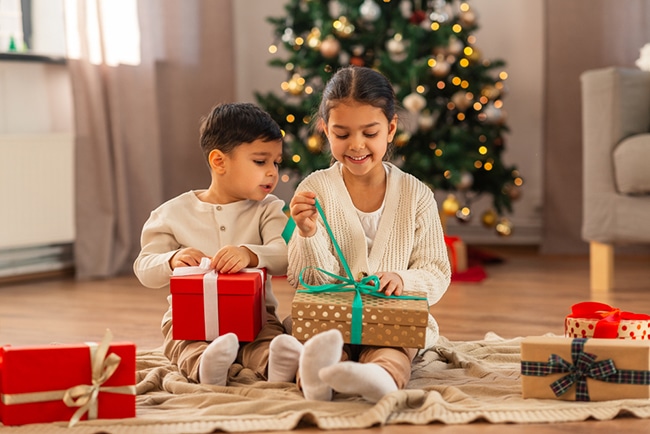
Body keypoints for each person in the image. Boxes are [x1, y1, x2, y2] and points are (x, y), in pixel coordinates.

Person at [268, 66, 451, 402]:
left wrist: (402, 279)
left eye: (370, 133)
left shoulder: (416, 195)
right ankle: (318, 378)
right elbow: (305, 280)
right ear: (325, 130)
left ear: (391, 129)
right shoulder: (314, 189)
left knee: (395, 349)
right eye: (341, 135)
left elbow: (437, 271)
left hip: (392, 318)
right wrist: (306, 234)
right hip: (329, 317)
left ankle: (379, 376)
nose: (356, 146)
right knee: (318, 341)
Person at [133, 102, 293, 386]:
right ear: (219, 161)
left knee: (268, 340)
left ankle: (277, 367)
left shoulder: (269, 209)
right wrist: (170, 260)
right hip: (189, 320)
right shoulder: (171, 213)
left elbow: (285, 255)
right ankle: (207, 368)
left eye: (275, 162)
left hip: (256, 317)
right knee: (186, 345)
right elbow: (144, 267)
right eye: (260, 161)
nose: (272, 172)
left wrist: (249, 254)